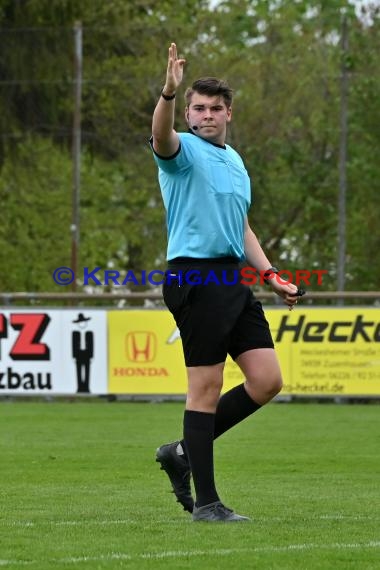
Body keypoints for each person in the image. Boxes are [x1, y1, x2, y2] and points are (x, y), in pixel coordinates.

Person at [150, 43, 300, 522]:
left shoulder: (234, 161)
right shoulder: (181, 149)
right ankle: (208, 504)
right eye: (198, 108)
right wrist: (168, 93)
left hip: (231, 278)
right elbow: (161, 134)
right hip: (194, 275)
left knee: (267, 380)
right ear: (188, 113)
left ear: (228, 113)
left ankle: (180, 453)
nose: (207, 115)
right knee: (206, 389)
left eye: (215, 108)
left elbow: (241, 227)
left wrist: (272, 274)